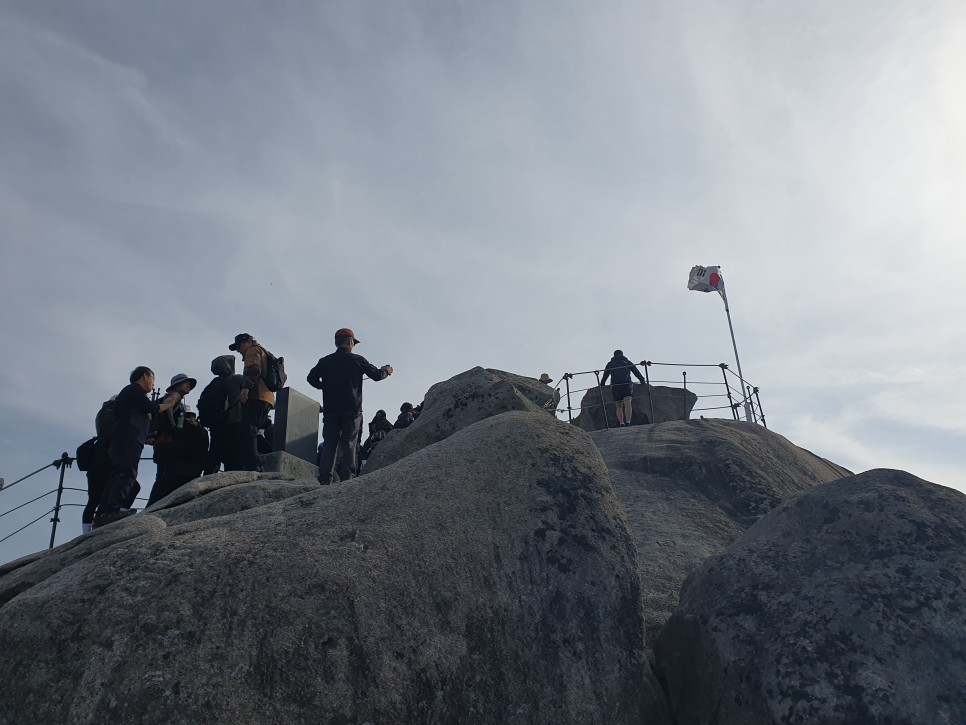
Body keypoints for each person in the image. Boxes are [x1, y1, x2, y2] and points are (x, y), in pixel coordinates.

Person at [93, 367, 181, 528]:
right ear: (145, 376)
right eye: (153, 379)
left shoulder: (131, 395)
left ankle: (102, 514)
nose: (153, 385)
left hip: (123, 438)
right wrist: (169, 403)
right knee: (127, 473)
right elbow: (152, 408)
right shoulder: (134, 390)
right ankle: (111, 511)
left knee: (117, 474)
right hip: (128, 438)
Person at [306, 328, 393, 484]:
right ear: (350, 341)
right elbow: (377, 376)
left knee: (329, 443)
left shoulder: (325, 361)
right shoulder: (357, 359)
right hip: (352, 409)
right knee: (350, 442)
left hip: (331, 410)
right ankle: (348, 476)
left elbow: (311, 378)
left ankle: (325, 477)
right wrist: (386, 370)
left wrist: (323, 386)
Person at [147, 373, 199, 506]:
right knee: (164, 477)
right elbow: (166, 409)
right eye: (184, 382)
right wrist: (174, 429)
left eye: (189, 383)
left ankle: (154, 506)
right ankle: (153, 507)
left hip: (162, 444)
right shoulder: (174, 395)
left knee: (163, 477)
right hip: (167, 443)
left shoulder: (175, 397)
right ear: (176, 385)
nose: (188, 385)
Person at [229, 333, 276, 471]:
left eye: (239, 346)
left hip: (256, 395)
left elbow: (253, 369)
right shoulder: (264, 351)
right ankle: (255, 461)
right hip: (267, 397)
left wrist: (245, 389)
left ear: (248, 341)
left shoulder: (252, 350)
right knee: (254, 430)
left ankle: (253, 464)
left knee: (248, 430)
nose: (238, 349)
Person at [197, 355, 244, 473]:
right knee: (232, 459)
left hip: (216, 425)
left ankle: (207, 480)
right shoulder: (237, 379)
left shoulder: (212, 384)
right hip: (234, 423)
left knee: (214, 454)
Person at [599, 349, 646, 427]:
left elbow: (605, 375)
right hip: (626, 384)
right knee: (627, 402)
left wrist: (602, 384)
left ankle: (621, 422)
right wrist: (642, 380)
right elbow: (635, 371)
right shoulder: (627, 362)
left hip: (615, 386)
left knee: (618, 405)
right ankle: (628, 421)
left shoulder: (610, 364)